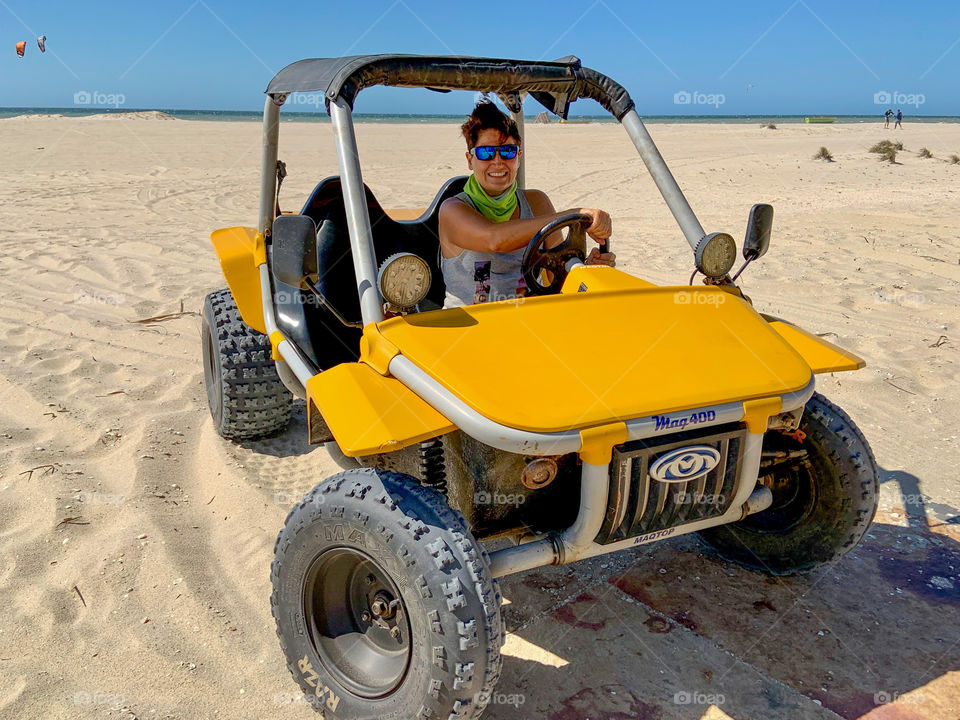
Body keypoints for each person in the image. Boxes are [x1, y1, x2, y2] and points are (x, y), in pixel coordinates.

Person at [438, 101, 615, 307]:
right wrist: (575, 213)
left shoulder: (536, 203)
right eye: (486, 153)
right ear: (470, 160)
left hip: (529, 319)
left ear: (518, 157)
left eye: (507, 152)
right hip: (471, 322)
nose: (497, 161)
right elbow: (494, 239)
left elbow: (556, 277)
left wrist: (584, 269)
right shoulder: (453, 209)